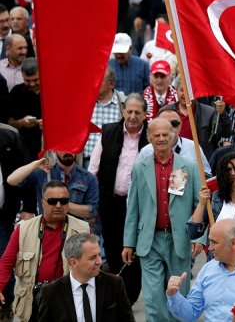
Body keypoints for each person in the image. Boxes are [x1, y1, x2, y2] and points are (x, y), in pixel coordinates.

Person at [122, 117, 202, 322]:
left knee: (178, 296)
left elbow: (198, 204)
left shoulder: (188, 167)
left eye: (165, 134)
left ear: (173, 136)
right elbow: (134, 207)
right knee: (153, 299)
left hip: (180, 239)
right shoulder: (140, 167)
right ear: (149, 138)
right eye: (156, 135)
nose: (161, 139)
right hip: (150, 240)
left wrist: (199, 238)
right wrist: (128, 242)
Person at [0, 181, 90, 322]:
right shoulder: (23, 229)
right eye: (53, 201)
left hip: (70, 301)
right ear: (43, 203)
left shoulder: (83, 229)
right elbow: (6, 263)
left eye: (63, 201)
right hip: (33, 300)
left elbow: (94, 265)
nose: (58, 205)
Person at [89, 93, 148, 304]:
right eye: (129, 111)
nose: (132, 116)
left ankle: (129, 297)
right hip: (111, 204)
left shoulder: (150, 136)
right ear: (123, 111)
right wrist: (94, 204)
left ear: (145, 114)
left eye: (137, 113)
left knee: (135, 251)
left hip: (140, 207)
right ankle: (119, 293)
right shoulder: (109, 132)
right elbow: (93, 170)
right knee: (114, 251)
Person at [36, 233, 134, 322]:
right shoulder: (51, 292)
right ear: (73, 262)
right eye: (92, 258)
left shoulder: (114, 284)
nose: (99, 261)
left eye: (99, 255)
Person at [0, 123, 36, 321]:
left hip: (4, 213)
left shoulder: (10, 136)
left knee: (4, 259)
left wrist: (29, 207)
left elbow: (27, 172)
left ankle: (5, 306)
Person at [7, 151, 98, 221]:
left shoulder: (88, 178)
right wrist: (35, 164)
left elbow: (92, 211)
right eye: (62, 147)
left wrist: (61, 203)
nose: (67, 151)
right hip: (46, 231)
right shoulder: (44, 172)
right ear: (55, 150)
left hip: (75, 233)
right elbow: (12, 180)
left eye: (71, 147)